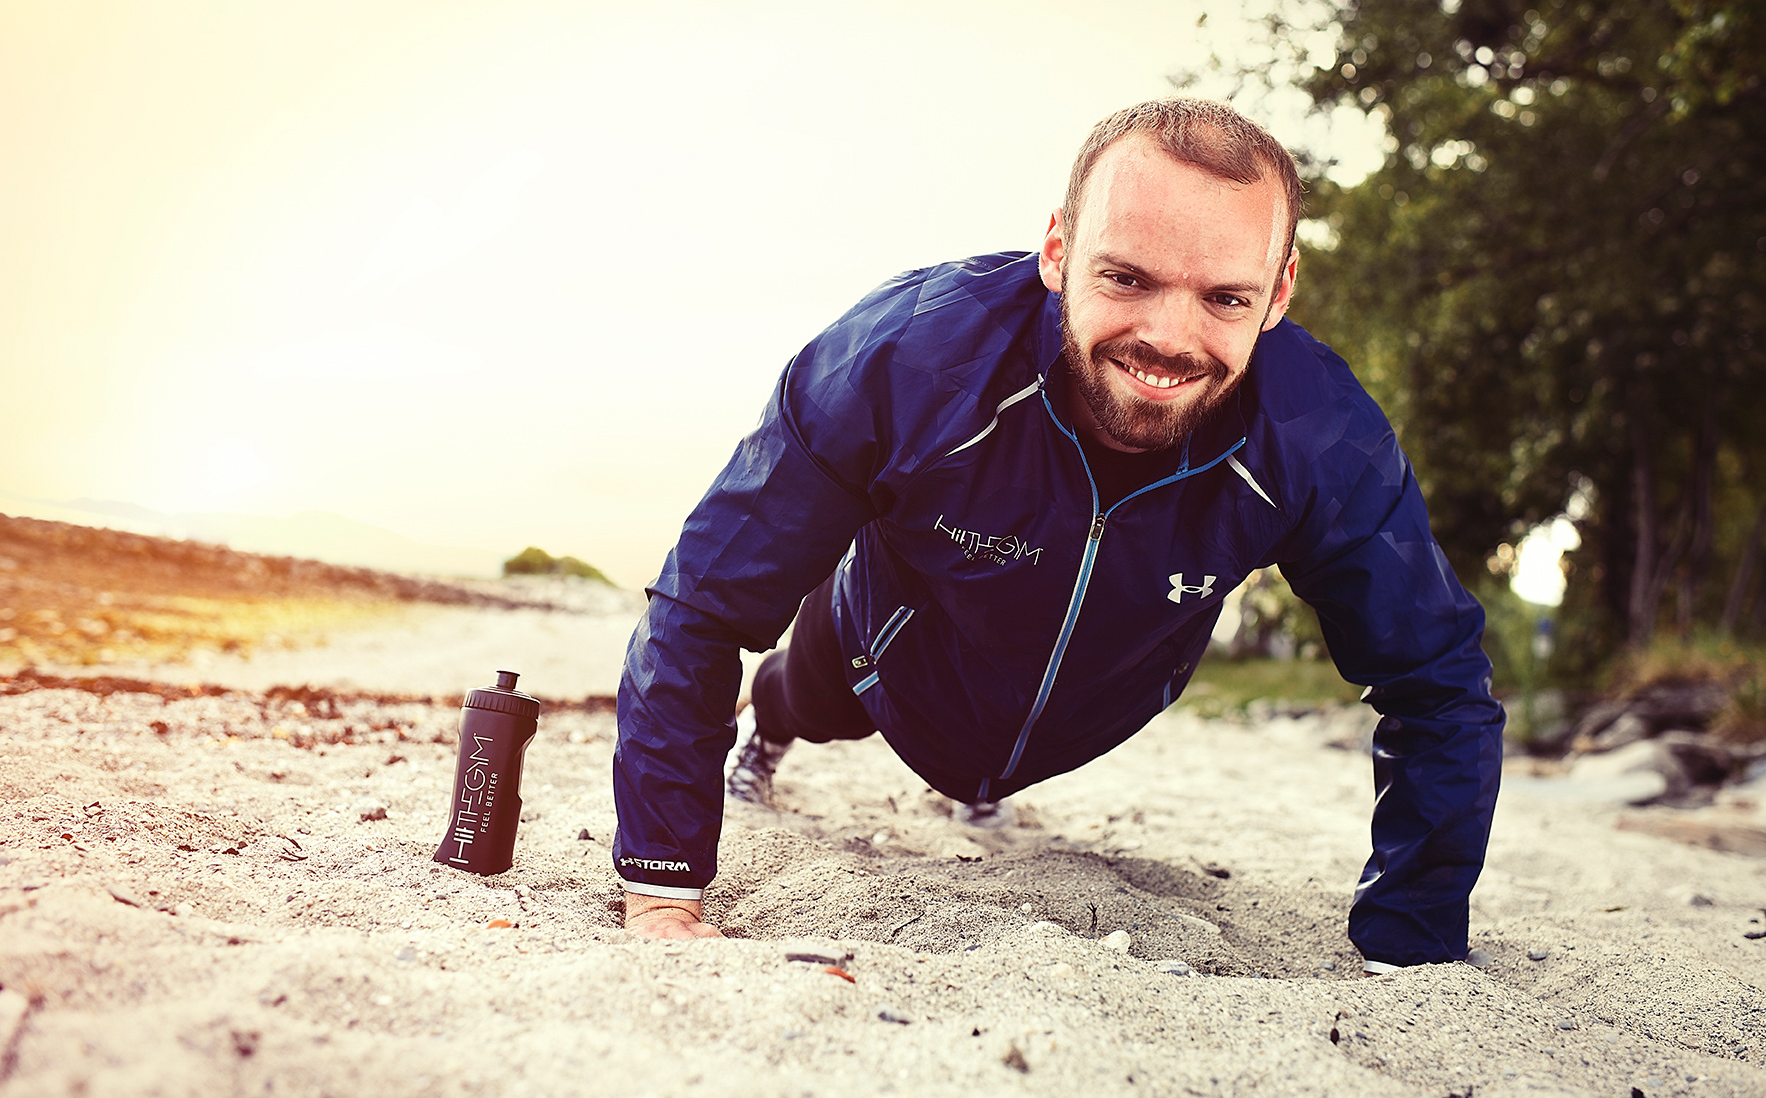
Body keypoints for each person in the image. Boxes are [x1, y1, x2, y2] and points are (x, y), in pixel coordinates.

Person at [611, 98, 1504, 970]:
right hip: (886, 648)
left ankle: (982, 791)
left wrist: (1411, 942)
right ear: (1057, 250)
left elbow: (1438, 677)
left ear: (1279, 293)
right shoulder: (902, 358)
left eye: (1225, 297)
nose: (1169, 337)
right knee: (812, 701)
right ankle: (768, 733)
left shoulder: (1323, 437)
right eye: (1127, 278)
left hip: (1100, 700)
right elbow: (702, 602)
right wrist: (662, 888)